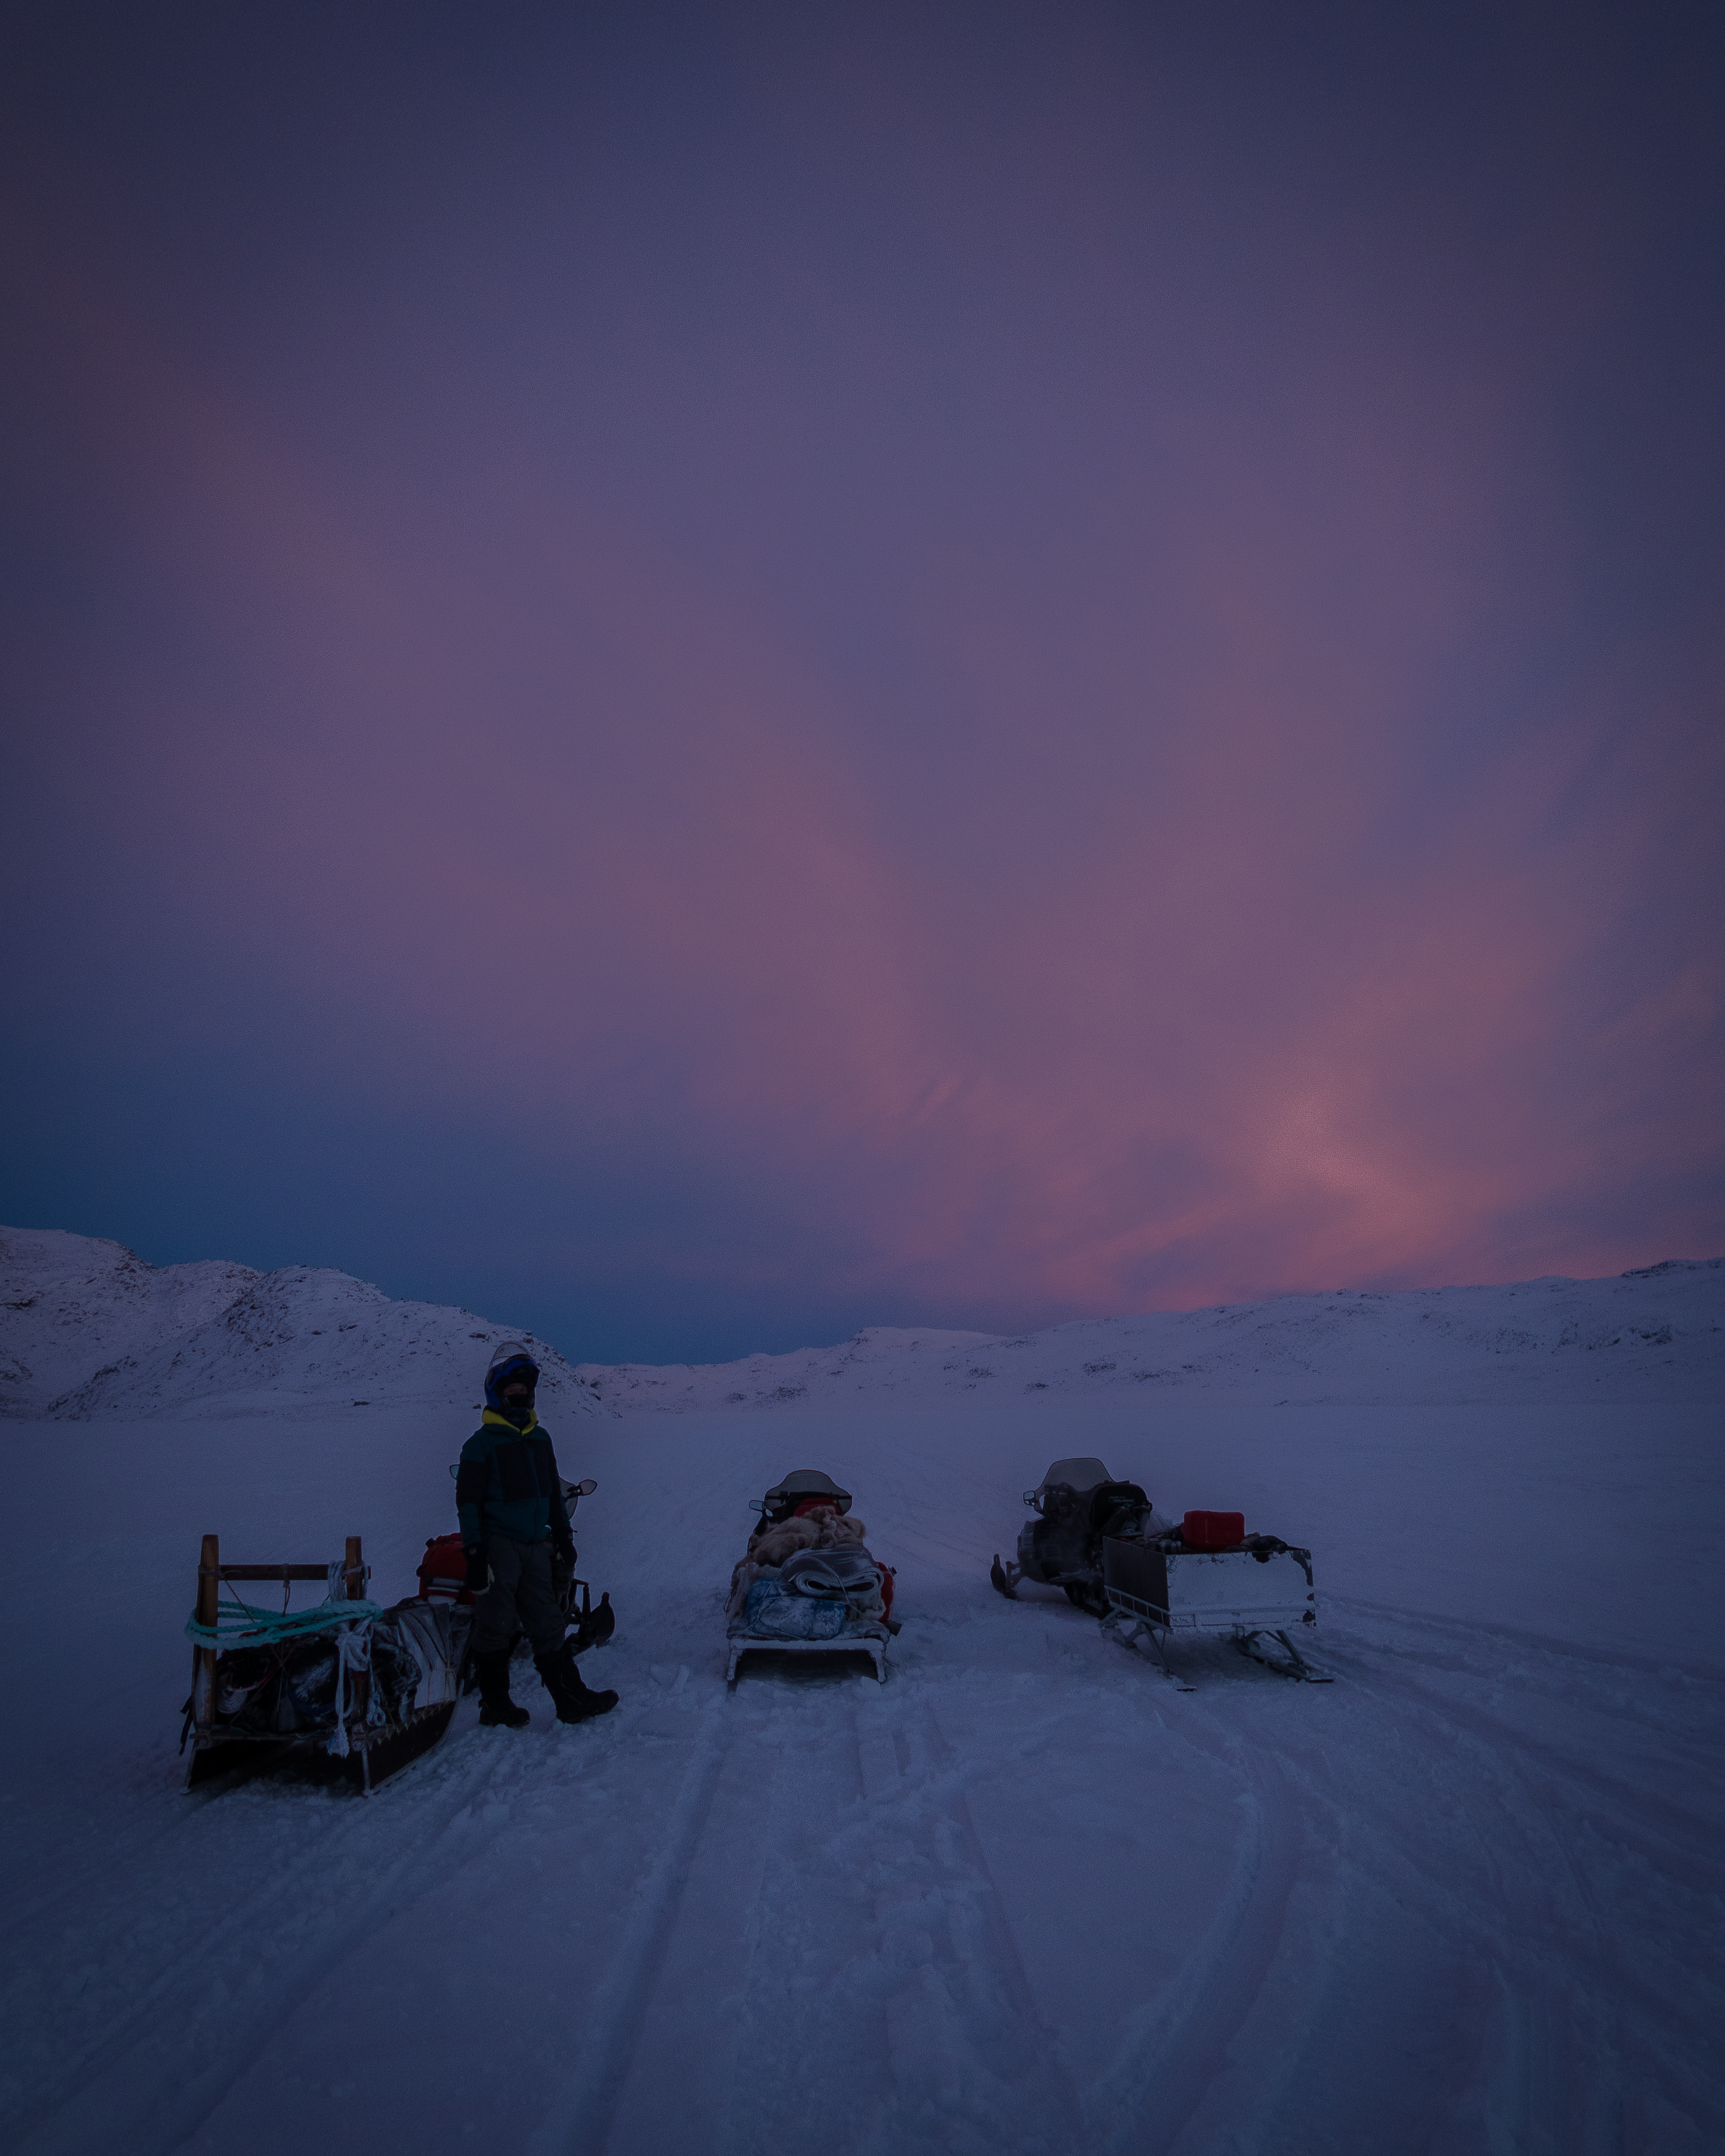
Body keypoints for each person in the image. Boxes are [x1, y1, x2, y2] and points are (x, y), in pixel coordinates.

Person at [456, 1341, 619, 1728]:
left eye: (525, 1390)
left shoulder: (540, 1439)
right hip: (498, 1544)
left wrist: (563, 1538)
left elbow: (550, 1493)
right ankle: (495, 1705)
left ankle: (571, 1699)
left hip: (534, 1544)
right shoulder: (479, 1446)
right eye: (512, 1390)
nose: (520, 1396)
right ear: (496, 1393)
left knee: (548, 1623)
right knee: (495, 1625)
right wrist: (475, 1553)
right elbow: (468, 1504)